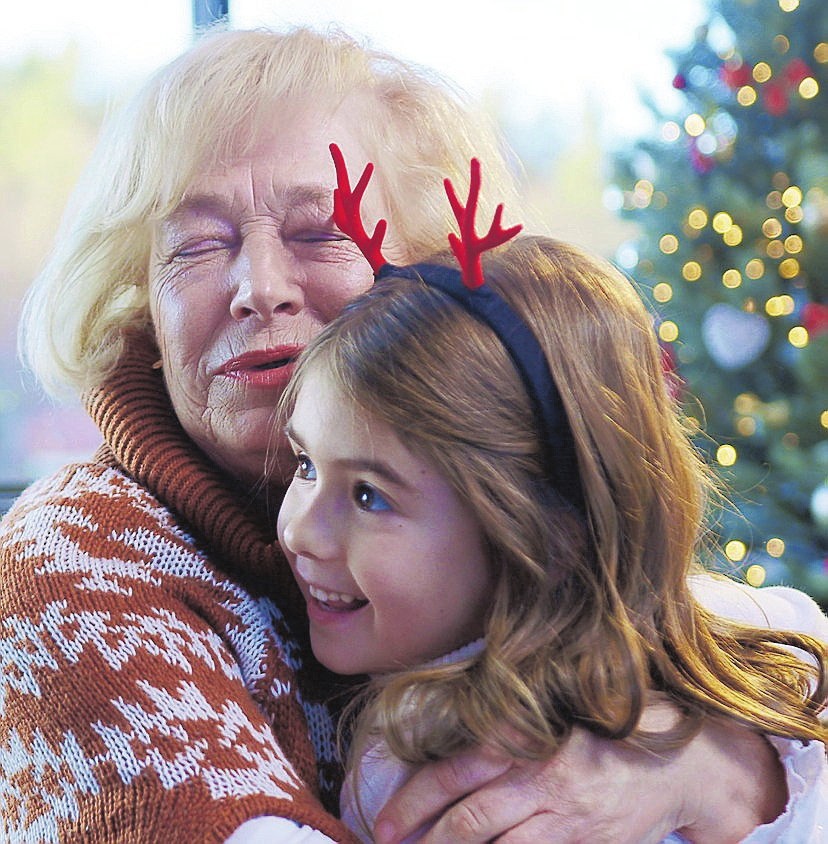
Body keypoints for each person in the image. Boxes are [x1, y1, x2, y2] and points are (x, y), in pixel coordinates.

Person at [0, 23, 819, 844]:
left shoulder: (520, 518)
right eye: (197, 244)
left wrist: (716, 776)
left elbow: (764, 659)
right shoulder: (74, 568)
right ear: (139, 290)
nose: (259, 288)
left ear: (426, 272)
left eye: (319, 231)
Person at [276, 152, 827, 843]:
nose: (302, 532)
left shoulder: (423, 769)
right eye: (304, 464)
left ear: (540, 529)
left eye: (368, 497)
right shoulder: (758, 640)